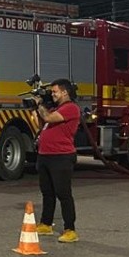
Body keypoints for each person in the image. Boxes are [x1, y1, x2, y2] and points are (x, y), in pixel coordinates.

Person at [34, 78, 81, 243]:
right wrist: (36, 110)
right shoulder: (55, 109)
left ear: (65, 92)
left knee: (63, 193)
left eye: (55, 92)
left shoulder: (71, 108)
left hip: (61, 156)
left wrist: (40, 104)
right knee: (47, 192)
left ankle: (70, 229)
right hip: (45, 155)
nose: (52, 94)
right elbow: (42, 125)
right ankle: (46, 223)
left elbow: (48, 118)